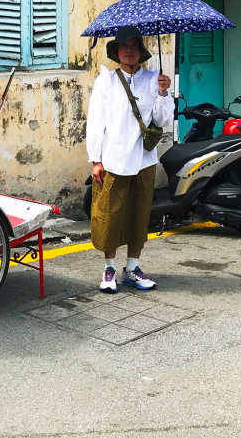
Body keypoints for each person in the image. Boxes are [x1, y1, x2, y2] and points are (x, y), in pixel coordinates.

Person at [86, 27, 174, 293]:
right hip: (112, 160)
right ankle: (110, 268)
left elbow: (163, 120)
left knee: (139, 215)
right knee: (109, 216)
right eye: (124, 46)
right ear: (116, 51)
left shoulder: (153, 79)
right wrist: (95, 159)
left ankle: (133, 268)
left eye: (134, 46)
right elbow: (96, 121)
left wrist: (162, 92)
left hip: (144, 161)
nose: (129, 50)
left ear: (141, 51)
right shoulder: (107, 80)